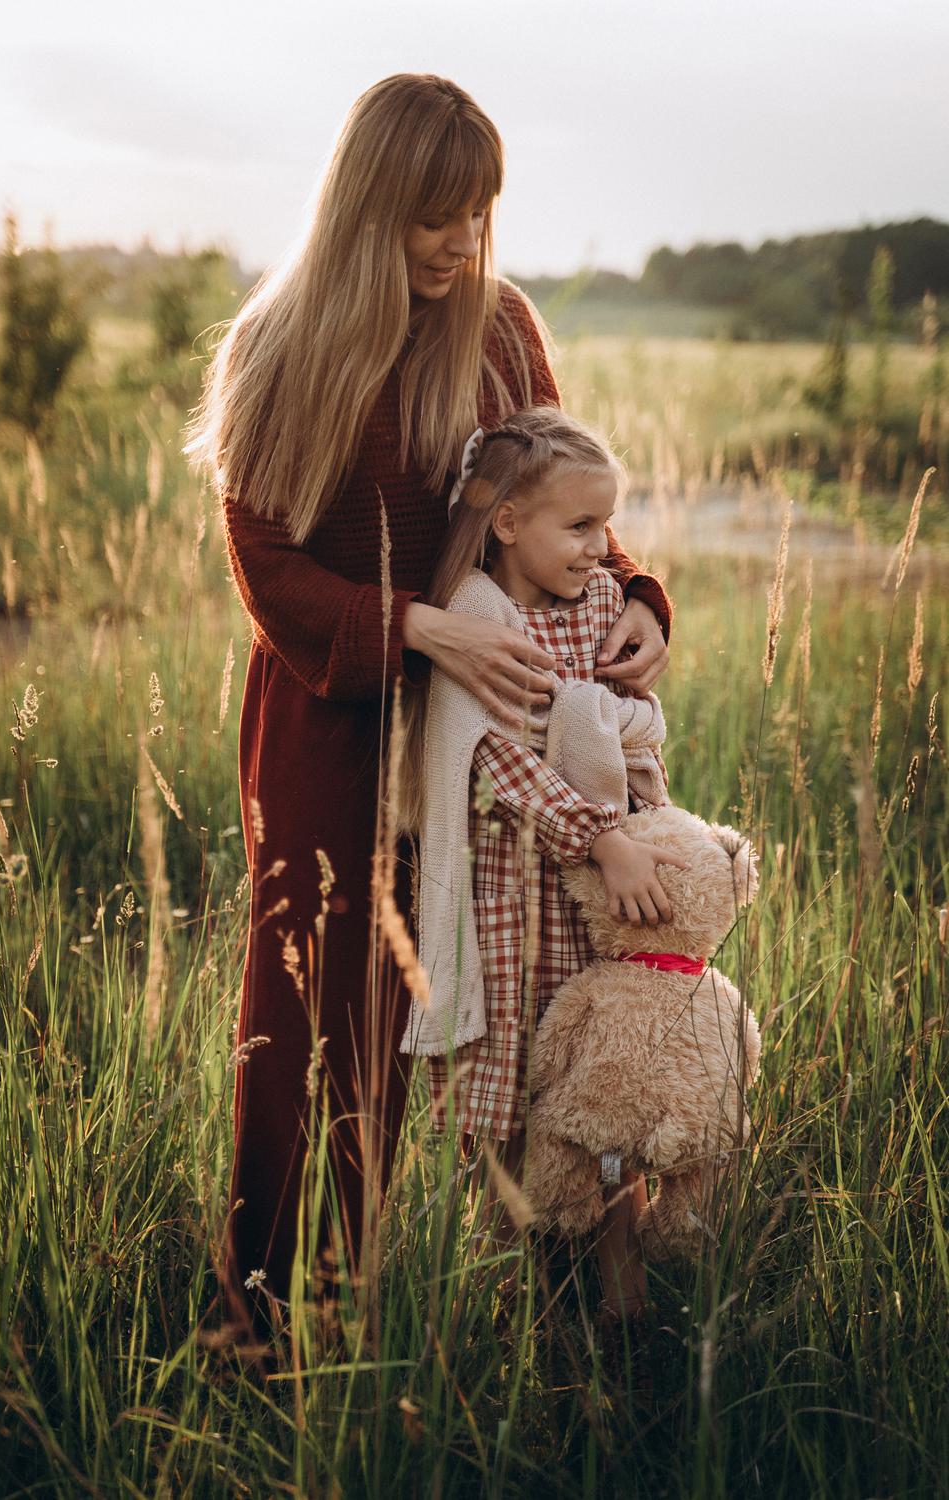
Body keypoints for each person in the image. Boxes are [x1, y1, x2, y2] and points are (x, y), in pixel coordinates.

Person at [184, 72, 673, 1331]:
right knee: (314, 1021)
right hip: (333, 722)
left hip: (491, 725)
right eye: (432, 217)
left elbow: (559, 487)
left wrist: (628, 593)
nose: (462, 244)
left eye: (478, 214)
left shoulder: (499, 327)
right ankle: (278, 1319)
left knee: (528, 995)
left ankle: (570, 1304)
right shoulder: (277, 344)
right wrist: (412, 626)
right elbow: (264, 565)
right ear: (367, 206)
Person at [398, 405, 685, 1325]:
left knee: (603, 1087)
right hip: (511, 903)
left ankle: (622, 1289)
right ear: (509, 523)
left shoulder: (604, 601)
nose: (603, 547)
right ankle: (508, 1288)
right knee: (511, 1096)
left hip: (598, 903)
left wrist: (637, 807)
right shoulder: (479, 615)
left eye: (607, 526)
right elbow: (496, 756)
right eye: (581, 526)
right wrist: (600, 832)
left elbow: (628, 723)